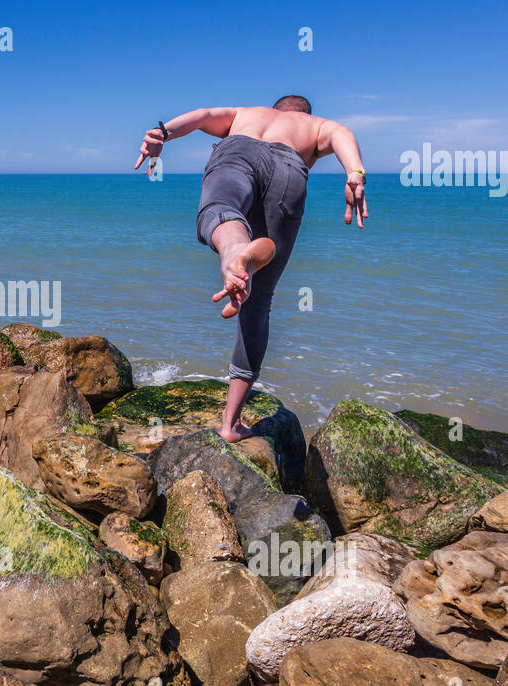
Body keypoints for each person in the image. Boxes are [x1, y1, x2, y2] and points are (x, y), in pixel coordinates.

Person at [134, 95, 367, 441]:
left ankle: (233, 250)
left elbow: (203, 115)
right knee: (258, 303)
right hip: (290, 172)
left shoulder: (246, 113)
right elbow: (342, 133)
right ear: (304, 115)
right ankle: (230, 424)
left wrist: (162, 133)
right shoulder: (314, 127)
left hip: (238, 154)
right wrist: (355, 173)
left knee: (219, 208)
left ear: (275, 108)